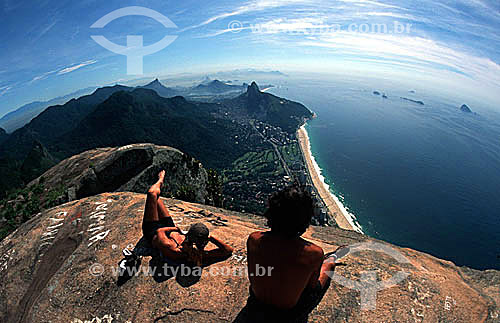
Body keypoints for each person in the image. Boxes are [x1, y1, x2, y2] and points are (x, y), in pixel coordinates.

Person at [240, 185, 342, 322]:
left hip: (256, 301)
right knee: (329, 264)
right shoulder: (314, 253)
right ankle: (332, 257)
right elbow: (312, 286)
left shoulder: (254, 239)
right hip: (289, 314)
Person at [141, 170, 233, 267]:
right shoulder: (200, 253)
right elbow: (228, 250)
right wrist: (210, 238)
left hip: (153, 231)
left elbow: (160, 231)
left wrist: (176, 229)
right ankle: (159, 183)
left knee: (152, 194)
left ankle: (160, 180)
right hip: (169, 226)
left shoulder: (173, 249)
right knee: (156, 197)